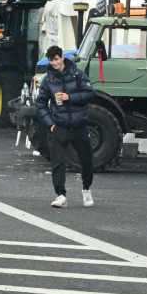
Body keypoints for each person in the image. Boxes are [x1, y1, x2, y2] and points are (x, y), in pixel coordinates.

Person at [36, 45, 96, 208]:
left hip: (79, 124)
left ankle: (86, 189)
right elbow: (40, 104)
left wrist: (70, 97)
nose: (54, 63)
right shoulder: (47, 80)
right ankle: (60, 195)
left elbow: (91, 93)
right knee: (57, 162)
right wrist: (51, 124)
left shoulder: (77, 74)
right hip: (60, 125)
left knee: (87, 160)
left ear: (62, 57)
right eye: (51, 60)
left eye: (56, 59)